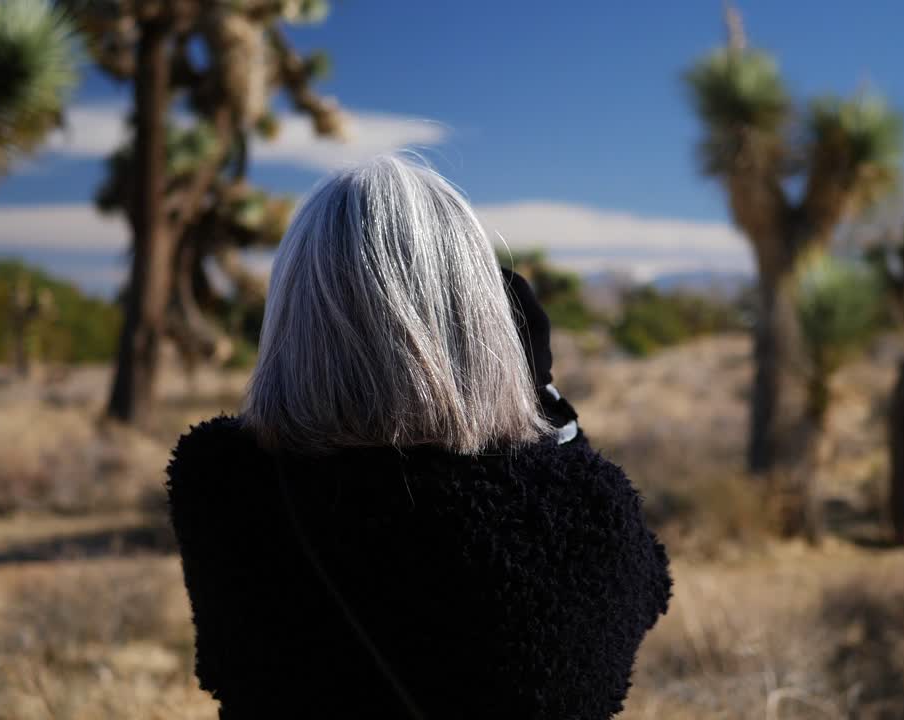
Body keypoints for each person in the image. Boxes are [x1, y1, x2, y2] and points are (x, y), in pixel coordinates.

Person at [166, 155, 671, 719]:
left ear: (292, 316)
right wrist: (540, 399)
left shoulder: (222, 485)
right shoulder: (581, 510)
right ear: (480, 317)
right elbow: (641, 593)